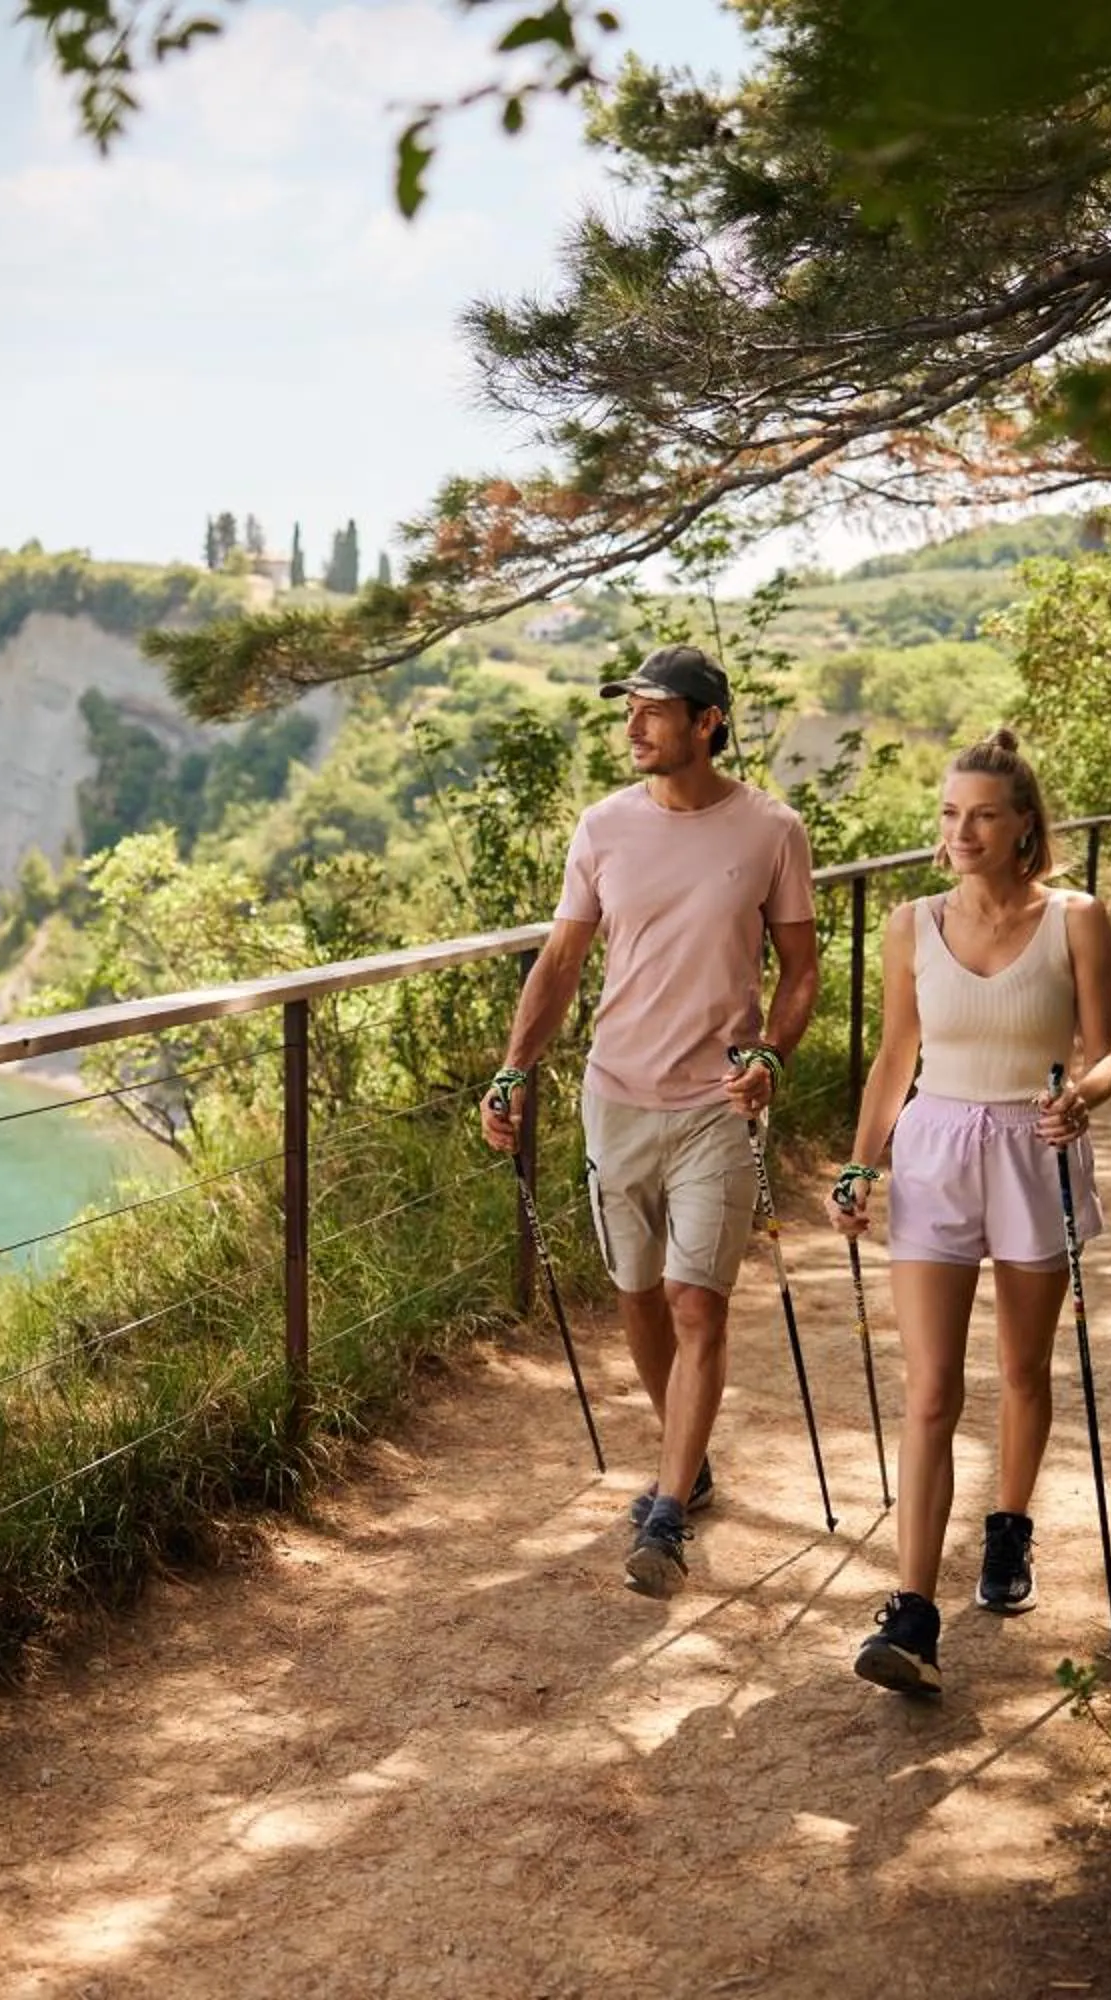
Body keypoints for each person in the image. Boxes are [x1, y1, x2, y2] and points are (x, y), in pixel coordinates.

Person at [481, 644, 820, 1597]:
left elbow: (800, 971)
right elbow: (560, 964)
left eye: (653, 710)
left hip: (718, 1105)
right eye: (627, 709)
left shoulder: (772, 829)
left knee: (693, 1299)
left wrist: (771, 1055)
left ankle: (667, 1513)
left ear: (708, 722)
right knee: (636, 1294)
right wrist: (513, 1069)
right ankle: (689, 1458)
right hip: (615, 1098)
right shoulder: (603, 827)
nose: (632, 726)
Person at [825, 728, 1111, 1694]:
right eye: (952, 814)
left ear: (1025, 824)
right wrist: (860, 1167)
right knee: (931, 1393)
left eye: (984, 816)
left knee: (1024, 1369)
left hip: (1037, 1150)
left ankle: (1009, 1528)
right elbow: (894, 1056)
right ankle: (912, 1612)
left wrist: (1082, 1097)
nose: (963, 831)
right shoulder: (910, 924)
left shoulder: (1077, 918)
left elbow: (1109, 1054)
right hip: (936, 1152)